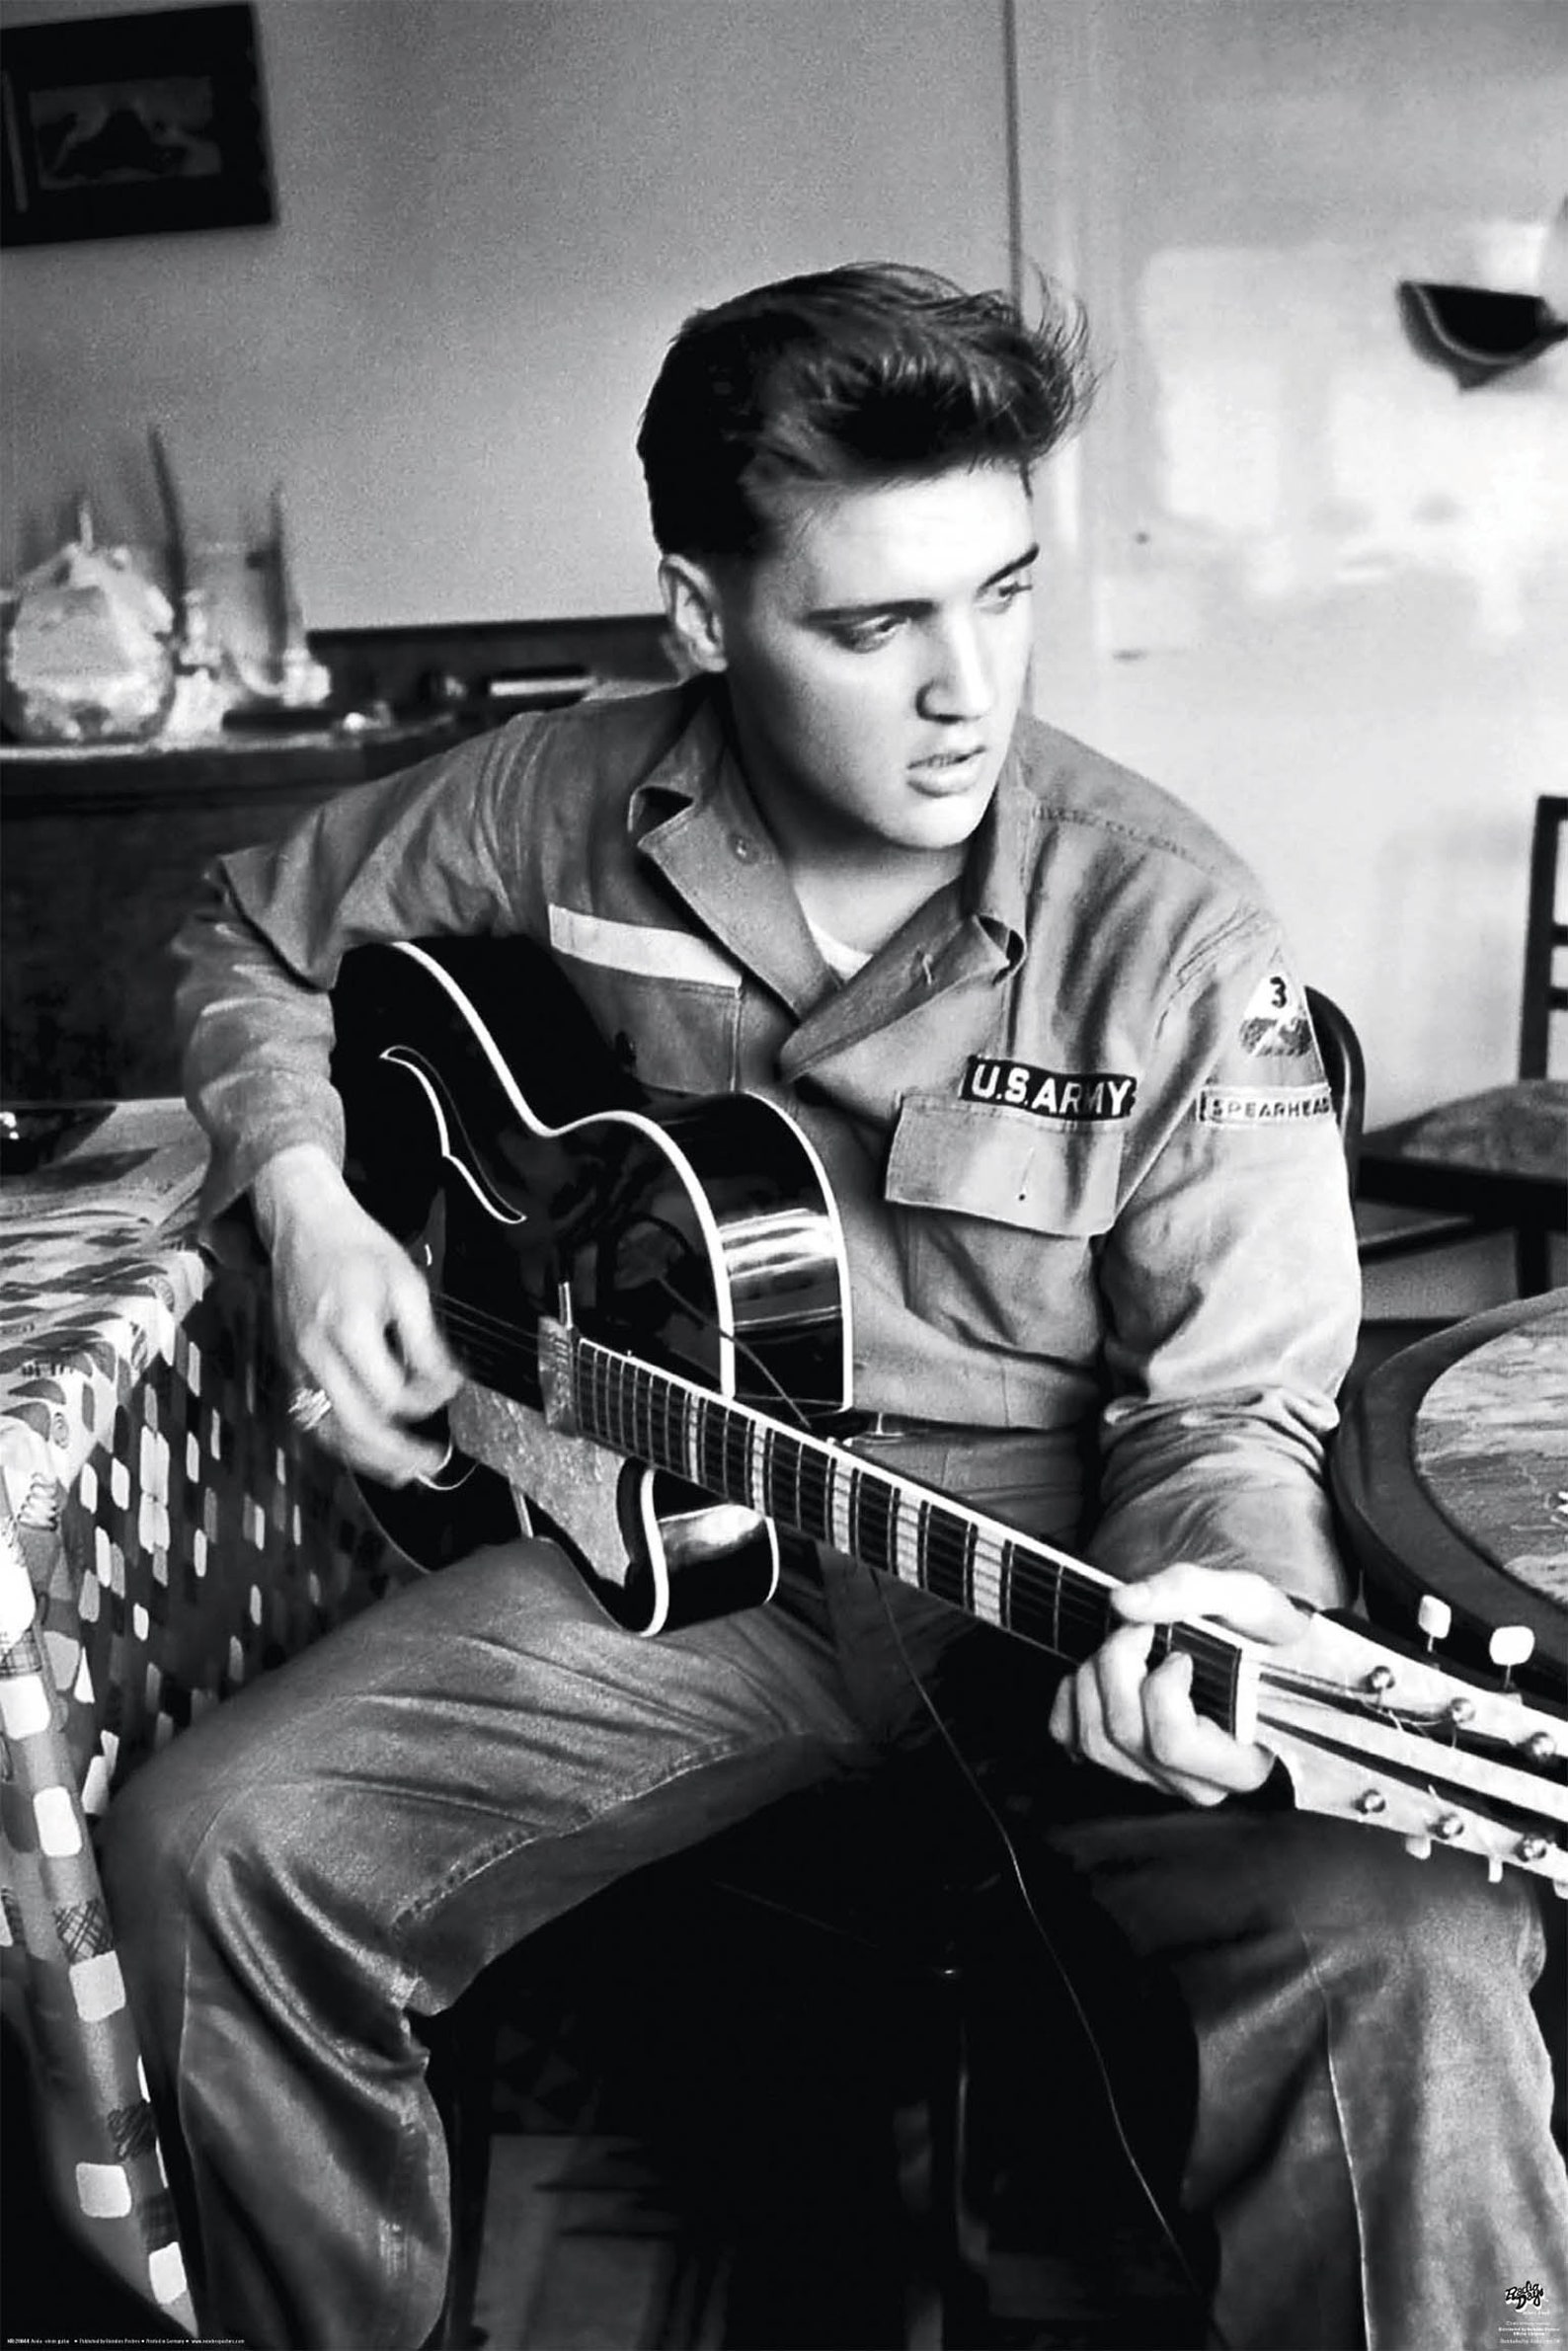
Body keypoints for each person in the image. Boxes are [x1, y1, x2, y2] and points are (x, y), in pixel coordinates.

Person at [100, 263, 1566, 2351]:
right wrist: (312, 1196)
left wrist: (1220, 1600)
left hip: (1065, 1569)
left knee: (1408, 1949)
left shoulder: (1170, 926)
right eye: (875, 628)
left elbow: (1227, 1408)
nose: (966, 690)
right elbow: (251, 935)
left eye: (1004, 593)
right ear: (702, 617)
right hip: (672, 1553)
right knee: (206, 1852)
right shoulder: (557, 791)